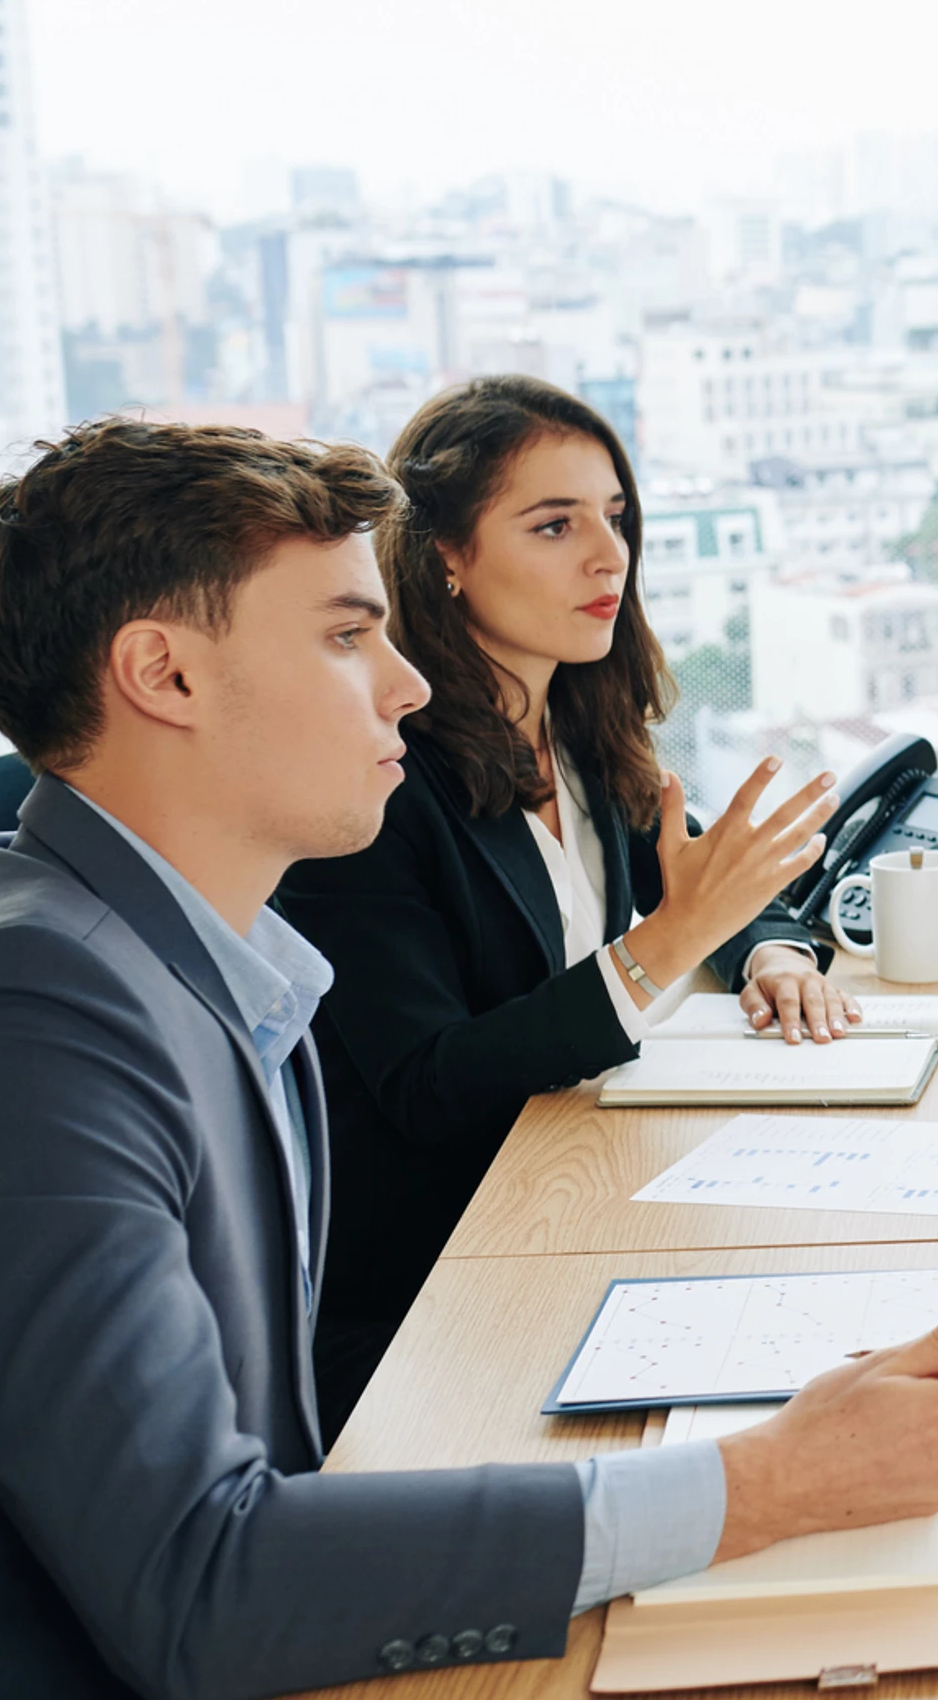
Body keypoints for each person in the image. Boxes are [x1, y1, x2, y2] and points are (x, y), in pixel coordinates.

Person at [0, 419, 938, 1700]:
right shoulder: (32, 1010)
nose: (408, 682)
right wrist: (766, 1483)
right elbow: (200, 1580)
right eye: (346, 635)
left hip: (245, 1692)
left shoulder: (171, 954)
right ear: (163, 674)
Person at [277, 376, 854, 1435]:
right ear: (444, 556)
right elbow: (428, 1086)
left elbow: (699, 873)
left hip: (574, 1196)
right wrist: (667, 945)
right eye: (555, 525)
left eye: (615, 517)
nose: (608, 556)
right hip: (441, 1289)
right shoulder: (378, 783)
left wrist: (772, 950)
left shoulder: (579, 727)